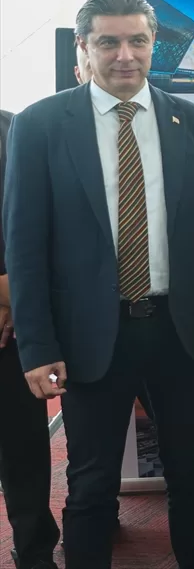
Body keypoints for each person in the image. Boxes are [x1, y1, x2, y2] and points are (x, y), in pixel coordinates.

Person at [3, 0, 194, 569]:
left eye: (138, 41)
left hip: (181, 331)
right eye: (109, 42)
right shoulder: (40, 126)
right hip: (90, 336)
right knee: (90, 483)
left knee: (190, 474)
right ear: (84, 48)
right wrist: (36, 346)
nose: (125, 55)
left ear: (153, 43)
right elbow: (25, 246)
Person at [0, 108, 60, 569]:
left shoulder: (17, 128)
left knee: (22, 446)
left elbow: (47, 221)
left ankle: (35, 551)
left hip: (11, 324)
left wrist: (11, 292)